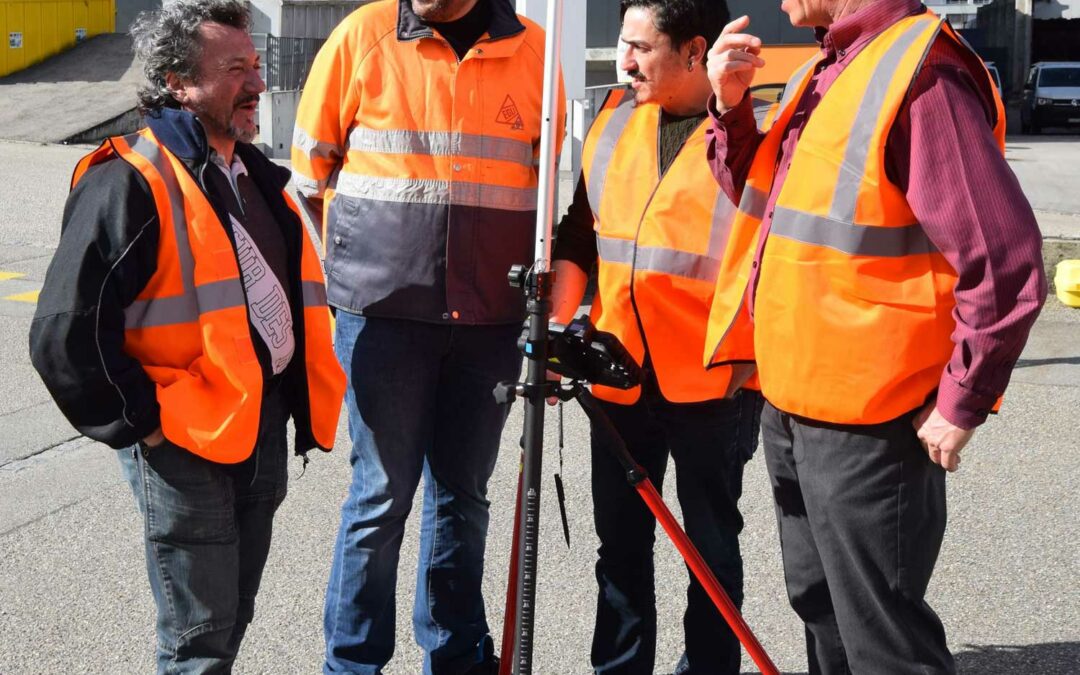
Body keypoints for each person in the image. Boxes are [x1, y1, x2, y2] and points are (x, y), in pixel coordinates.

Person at [704, 1, 1047, 672]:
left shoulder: (921, 73)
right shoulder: (827, 69)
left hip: (870, 423)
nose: (778, 3)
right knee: (823, 612)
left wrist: (962, 397)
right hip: (796, 403)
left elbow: (1005, 257)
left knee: (883, 642)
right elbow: (765, 201)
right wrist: (731, 109)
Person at [28, 0, 346, 670]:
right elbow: (63, 332)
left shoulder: (252, 176)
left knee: (230, 620)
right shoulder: (131, 178)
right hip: (182, 441)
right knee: (198, 639)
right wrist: (141, 424)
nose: (257, 83)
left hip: (257, 427)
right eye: (235, 69)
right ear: (176, 82)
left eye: (255, 66)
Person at [290, 1, 564, 672]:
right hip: (384, 320)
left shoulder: (534, 51)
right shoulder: (363, 35)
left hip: (491, 321)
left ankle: (455, 652)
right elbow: (308, 176)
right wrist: (357, 276)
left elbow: (543, 187)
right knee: (381, 495)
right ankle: (353, 662)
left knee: (464, 497)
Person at [549, 1, 764, 673]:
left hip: (712, 379)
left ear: (694, 50)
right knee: (619, 545)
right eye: (624, 44)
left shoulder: (750, 135)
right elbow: (578, 235)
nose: (626, 60)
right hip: (619, 371)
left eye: (641, 47)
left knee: (709, 546)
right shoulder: (613, 120)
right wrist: (556, 335)